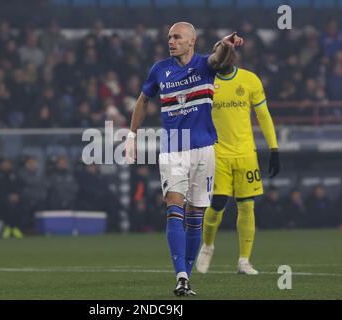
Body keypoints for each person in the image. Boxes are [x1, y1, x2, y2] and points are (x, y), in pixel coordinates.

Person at [125, 21, 243, 296]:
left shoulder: (205, 65)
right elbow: (143, 100)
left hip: (204, 148)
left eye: (177, 37)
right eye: (169, 37)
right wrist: (131, 135)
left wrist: (226, 44)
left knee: (195, 217)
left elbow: (221, 57)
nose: (171, 41)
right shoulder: (160, 69)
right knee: (174, 208)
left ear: (192, 41)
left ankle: (185, 279)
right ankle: (180, 275)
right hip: (173, 148)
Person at [196, 44, 280, 275]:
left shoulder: (250, 80)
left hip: (245, 153)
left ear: (233, 59)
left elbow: (263, 114)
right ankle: (208, 246)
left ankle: (244, 261)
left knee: (247, 205)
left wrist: (274, 148)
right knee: (218, 203)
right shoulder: (206, 82)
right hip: (218, 153)